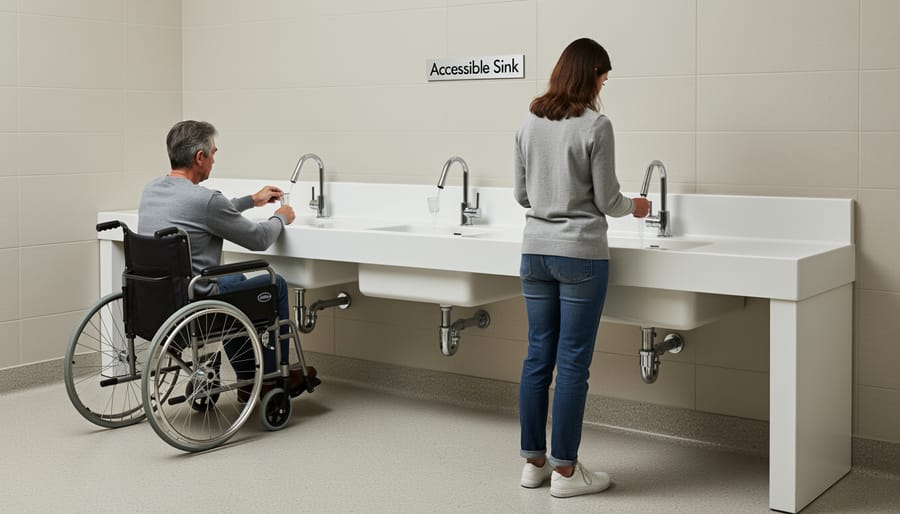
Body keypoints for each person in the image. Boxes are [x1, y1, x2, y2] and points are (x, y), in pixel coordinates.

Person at [513, 38, 650, 498]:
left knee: (537, 356)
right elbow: (609, 201)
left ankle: (533, 463)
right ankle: (566, 473)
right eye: (602, 78)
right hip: (580, 255)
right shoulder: (596, 125)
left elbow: (521, 195)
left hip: (534, 251)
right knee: (572, 362)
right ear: (589, 75)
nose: (603, 87)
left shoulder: (529, 122)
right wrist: (638, 206)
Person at [138, 120, 318, 399]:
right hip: (196, 303)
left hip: (158, 303)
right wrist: (282, 217)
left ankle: (247, 379)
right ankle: (271, 379)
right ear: (200, 158)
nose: (214, 159)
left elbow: (200, 214)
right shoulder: (205, 199)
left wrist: (251, 200)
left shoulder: (151, 191)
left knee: (234, 280)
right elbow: (259, 239)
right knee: (275, 284)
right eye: (213, 153)